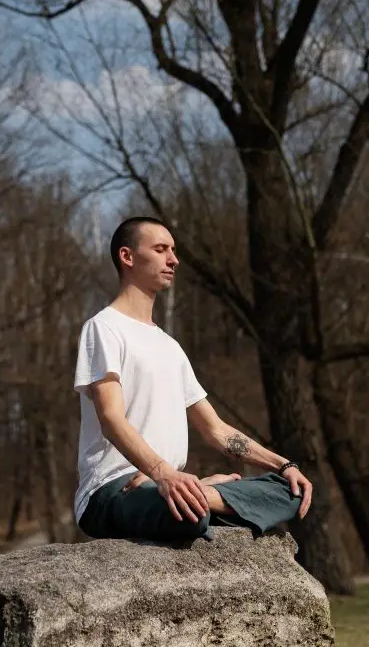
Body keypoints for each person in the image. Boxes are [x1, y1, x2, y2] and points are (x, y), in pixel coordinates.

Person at [72, 215, 313, 543]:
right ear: (127, 257)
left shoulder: (170, 347)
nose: (174, 259)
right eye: (160, 249)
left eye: (173, 250)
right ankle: (203, 492)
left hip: (167, 487)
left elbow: (216, 430)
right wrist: (162, 472)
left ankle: (200, 491)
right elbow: (111, 417)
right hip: (112, 491)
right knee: (192, 515)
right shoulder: (104, 328)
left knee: (290, 491)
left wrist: (284, 465)